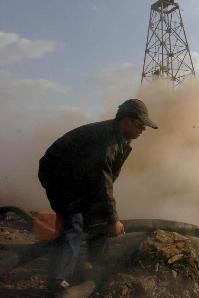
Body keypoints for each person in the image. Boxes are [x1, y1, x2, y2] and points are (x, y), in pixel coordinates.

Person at [38, 98, 158, 292]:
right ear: (126, 120)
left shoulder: (120, 139)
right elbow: (102, 182)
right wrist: (113, 218)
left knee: (96, 218)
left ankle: (94, 268)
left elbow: (105, 179)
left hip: (80, 177)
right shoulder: (107, 141)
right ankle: (56, 282)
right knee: (74, 222)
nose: (143, 129)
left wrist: (106, 215)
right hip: (57, 176)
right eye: (140, 124)